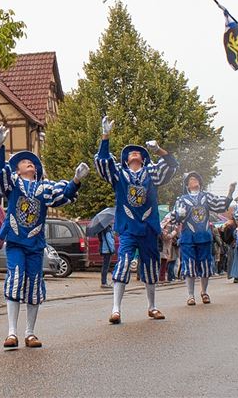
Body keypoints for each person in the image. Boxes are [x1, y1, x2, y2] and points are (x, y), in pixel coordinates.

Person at [0, 124, 87, 348]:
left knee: (33, 284)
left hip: (35, 243)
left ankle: (30, 333)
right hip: (15, 241)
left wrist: (76, 181)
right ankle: (11, 332)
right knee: (15, 278)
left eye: (31, 161)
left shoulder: (44, 188)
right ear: (18, 169)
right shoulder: (13, 183)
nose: (29, 162)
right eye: (24, 161)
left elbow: (63, 195)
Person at [94, 116, 179, 324]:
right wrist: (105, 137)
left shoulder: (152, 173)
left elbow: (173, 165)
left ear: (143, 158)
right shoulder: (119, 174)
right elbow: (103, 164)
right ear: (125, 159)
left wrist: (159, 150)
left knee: (150, 266)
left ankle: (152, 306)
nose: (134, 153)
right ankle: (116, 309)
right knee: (123, 263)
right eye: (130, 152)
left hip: (149, 227)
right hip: (128, 227)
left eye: (138, 152)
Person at [168, 172, 234, 305]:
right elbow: (174, 218)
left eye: (196, 178)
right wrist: (179, 214)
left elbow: (220, 205)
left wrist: (230, 193)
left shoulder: (206, 196)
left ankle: (204, 292)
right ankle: (190, 295)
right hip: (188, 237)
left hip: (204, 236)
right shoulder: (181, 199)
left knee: (205, 265)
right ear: (187, 184)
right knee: (189, 265)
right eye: (191, 179)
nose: (194, 180)